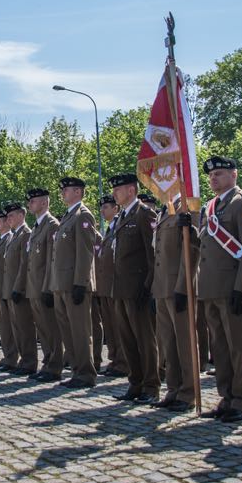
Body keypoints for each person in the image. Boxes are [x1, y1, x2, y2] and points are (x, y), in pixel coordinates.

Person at [197, 156, 242, 424]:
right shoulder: (209, 207)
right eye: (211, 176)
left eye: (219, 174)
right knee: (219, 348)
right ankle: (227, 396)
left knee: (239, 348)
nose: (214, 179)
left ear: (234, 175)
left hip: (233, 288)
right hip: (211, 289)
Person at [108, 173, 160, 403]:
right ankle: (135, 383)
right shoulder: (121, 217)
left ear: (131, 190)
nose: (114, 193)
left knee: (145, 340)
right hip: (120, 288)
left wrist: (148, 287)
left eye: (118, 189)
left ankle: (151, 386)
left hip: (138, 288)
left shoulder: (144, 213)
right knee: (127, 339)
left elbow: (152, 254)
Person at [150, 194, 200, 413]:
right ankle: (173, 389)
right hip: (162, 287)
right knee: (168, 343)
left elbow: (192, 248)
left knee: (184, 342)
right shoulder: (165, 209)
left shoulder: (188, 206)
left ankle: (188, 392)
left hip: (178, 286)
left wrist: (183, 286)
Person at [48, 177, 99, 389]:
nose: (62, 194)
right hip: (61, 283)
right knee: (68, 331)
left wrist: (81, 282)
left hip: (74, 284)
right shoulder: (68, 218)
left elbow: (85, 252)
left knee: (80, 331)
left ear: (78, 192)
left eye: (66, 190)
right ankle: (77, 370)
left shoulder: (83, 216)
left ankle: (86, 373)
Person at [19, 188, 62, 382]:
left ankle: (54, 366)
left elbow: (52, 260)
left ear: (44, 203)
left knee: (51, 328)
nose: (29, 205)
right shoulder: (37, 226)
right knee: (43, 329)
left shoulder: (51, 225)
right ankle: (47, 362)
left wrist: (47, 287)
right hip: (33, 286)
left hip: (43, 286)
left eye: (33, 201)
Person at [3, 202, 37, 375]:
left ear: (22, 216)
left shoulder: (26, 234)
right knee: (16, 327)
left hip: (20, 289)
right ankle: (22, 360)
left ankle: (29, 362)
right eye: (7, 217)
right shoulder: (13, 236)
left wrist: (18, 287)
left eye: (11, 216)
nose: (8, 219)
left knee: (25, 328)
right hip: (11, 289)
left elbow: (24, 264)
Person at [96, 195, 127, 378]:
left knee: (118, 325)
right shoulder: (110, 228)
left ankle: (123, 362)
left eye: (106, 207)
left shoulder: (119, 224)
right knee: (110, 326)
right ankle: (115, 359)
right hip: (106, 285)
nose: (102, 211)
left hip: (115, 284)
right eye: (102, 207)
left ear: (116, 208)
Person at [0, 209, 18, 371]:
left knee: (10, 325)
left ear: (8, 223)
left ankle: (13, 357)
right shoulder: (1, 241)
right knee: (4, 326)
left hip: (7, 288)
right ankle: (8, 356)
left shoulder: (10, 239)